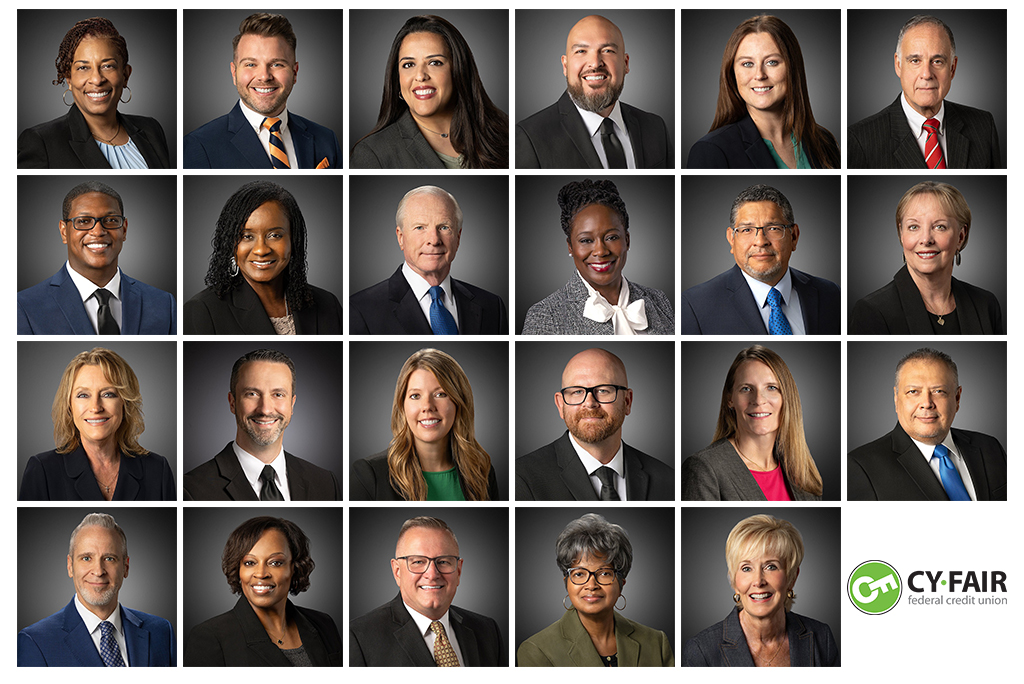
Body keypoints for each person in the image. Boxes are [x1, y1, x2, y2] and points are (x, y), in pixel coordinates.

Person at [184, 13, 342, 169]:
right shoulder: (200, 145)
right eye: (251, 64)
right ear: (234, 73)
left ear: (295, 72)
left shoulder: (326, 139)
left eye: (277, 64)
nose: (264, 76)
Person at [183, 180, 343, 335]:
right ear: (231, 244)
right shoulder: (203, 311)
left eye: (275, 235)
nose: (261, 250)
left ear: (294, 240)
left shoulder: (328, 304)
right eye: (246, 236)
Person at [18, 181, 176, 335]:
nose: (98, 231)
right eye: (84, 221)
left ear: (124, 229)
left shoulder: (163, 302)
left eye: (111, 220)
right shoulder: (24, 306)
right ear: (64, 231)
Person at [848, 348, 1006, 501]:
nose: (927, 403)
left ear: (957, 398)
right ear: (896, 399)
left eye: (938, 391)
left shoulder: (990, 447)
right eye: (913, 391)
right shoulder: (861, 467)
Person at [18, 513, 175, 666]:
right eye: (86, 558)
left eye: (109, 559)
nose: (99, 571)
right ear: (70, 566)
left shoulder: (161, 632)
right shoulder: (36, 642)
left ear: (125, 567)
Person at [351, 15, 508, 169]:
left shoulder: (504, 133)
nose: (420, 76)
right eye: (408, 65)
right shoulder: (373, 154)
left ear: (459, 70)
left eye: (435, 62)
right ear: (397, 79)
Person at [680, 184, 840, 335]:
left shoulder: (831, 294)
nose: (760, 241)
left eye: (773, 228)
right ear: (731, 238)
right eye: (747, 229)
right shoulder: (694, 305)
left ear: (794, 237)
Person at [183, 349, 341, 501]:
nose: (265, 409)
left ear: (292, 405)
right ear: (232, 403)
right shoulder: (191, 490)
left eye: (278, 394)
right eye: (252, 394)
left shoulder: (326, 483)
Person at [516, 348, 673, 501]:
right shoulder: (521, 478)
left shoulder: (668, 479)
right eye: (577, 392)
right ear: (560, 405)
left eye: (603, 390)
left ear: (627, 401)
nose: (590, 403)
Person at [20, 348, 175, 501]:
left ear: (125, 403)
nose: (95, 407)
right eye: (83, 395)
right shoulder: (42, 470)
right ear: (69, 406)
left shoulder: (158, 470)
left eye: (108, 394)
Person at [517, 514, 673, 667]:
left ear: (621, 583)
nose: (591, 585)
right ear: (567, 583)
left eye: (604, 573)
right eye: (579, 574)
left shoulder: (656, 642)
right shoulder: (536, 650)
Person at [682, 514, 839, 666]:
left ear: (792, 578)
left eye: (771, 567)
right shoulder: (701, 650)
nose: (758, 581)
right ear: (733, 580)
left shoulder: (821, 637)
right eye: (746, 568)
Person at [349, 185, 508, 335]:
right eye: (420, 228)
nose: (434, 239)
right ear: (401, 237)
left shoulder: (492, 306)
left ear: (458, 238)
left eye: (444, 227)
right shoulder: (360, 309)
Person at [522, 179, 674, 335]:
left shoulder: (658, 299)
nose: (600, 251)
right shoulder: (545, 316)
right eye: (586, 240)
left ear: (627, 240)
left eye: (611, 237)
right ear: (570, 247)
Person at [185, 516, 342, 666]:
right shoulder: (210, 637)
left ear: (293, 567)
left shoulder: (323, 623)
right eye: (250, 562)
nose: (261, 573)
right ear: (238, 569)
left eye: (275, 563)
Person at [516, 15, 670, 169]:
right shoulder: (530, 137)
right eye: (581, 51)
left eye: (607, 50)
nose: (595, 63)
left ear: (625, 63)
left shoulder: (656, 127)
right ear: (565, 65)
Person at [848, 15, 1000, 169]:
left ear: (952, 68)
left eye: (937, 61)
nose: (927, 74)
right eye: (915, 61)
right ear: (898, 65)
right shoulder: (861, 139)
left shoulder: (984, 126)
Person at [687, 15, 838, 169]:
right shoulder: (711, 150)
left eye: (772, 62)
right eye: (747, 64)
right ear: (732, 73)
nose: (759, 75)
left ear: (793, 68)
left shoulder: (823, 141)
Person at [850, 181, 1002, 335]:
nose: (926, 239)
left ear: (960, 237)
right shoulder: (872, 311)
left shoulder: (986, 304)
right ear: (901, 235)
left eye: (939, 227)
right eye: (913, 227)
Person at [350, 516, 505, 666]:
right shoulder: (359, 637)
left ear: (458, 571)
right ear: (397, 571)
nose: (432, 574)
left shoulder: (487, 631)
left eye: (443, 562)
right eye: (418, 562)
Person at [18, 17, 170, 169]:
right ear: (69, 79)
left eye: (107, 66)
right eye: (83, 68)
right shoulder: (41, 142)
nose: (97, 80)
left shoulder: (151, 129)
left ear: (125, 75)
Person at [351, 348, 499, 501]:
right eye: (415, 396)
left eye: (440, 394)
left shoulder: (482, 470)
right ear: (402, 405)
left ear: (459, 402)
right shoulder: (369, 475)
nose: (427, 406)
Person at [681, 346, 823, 501]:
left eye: (771, 388)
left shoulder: (803, 472)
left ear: (786, 397)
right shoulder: (704, 469)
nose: (759, 400)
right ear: (730, 399)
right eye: (746, 389)